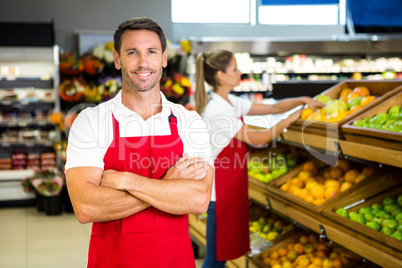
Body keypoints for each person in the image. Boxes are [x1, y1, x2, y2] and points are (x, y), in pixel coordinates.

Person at [65, 17, 214, 268]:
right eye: (132, 52)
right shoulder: (91, 121)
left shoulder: (189, 121)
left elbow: (198, 199)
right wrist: (167, 187)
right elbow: (86, 206)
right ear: (117, 58)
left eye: (152, 52)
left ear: (164, 58)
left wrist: (127, 181)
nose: (143, 62)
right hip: (113, 261)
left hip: (174, 260)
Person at [195, 50, 323, 267]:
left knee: (221, 255)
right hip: (219, 192)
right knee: (215, 258)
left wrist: (301, 100)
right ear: (221, 76)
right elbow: (259, 138)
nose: (240, 72)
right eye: (235, 69)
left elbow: (272, 108)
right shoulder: (217, 110)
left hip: (230, 186)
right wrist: (292, 118)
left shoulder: (229, 102)